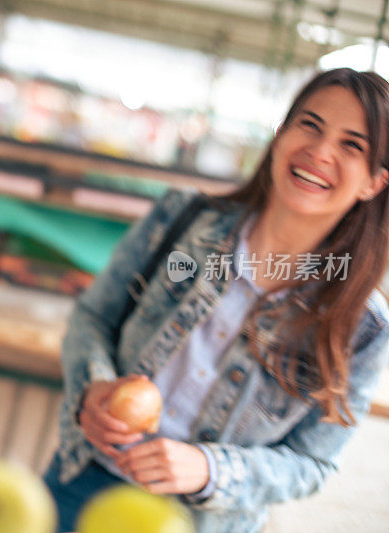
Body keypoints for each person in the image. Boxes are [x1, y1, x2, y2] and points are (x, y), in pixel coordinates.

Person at [44, 68, 389, 533]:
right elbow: (93, 318)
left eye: (353, 145)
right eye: (309, 125)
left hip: (201, 523)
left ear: (374, 182)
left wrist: (209, 469)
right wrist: (93, 388)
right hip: (82, 484)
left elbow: (313, 463)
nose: (320, 152)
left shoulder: (363, 323)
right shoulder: (181, 218)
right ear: (281, 133)